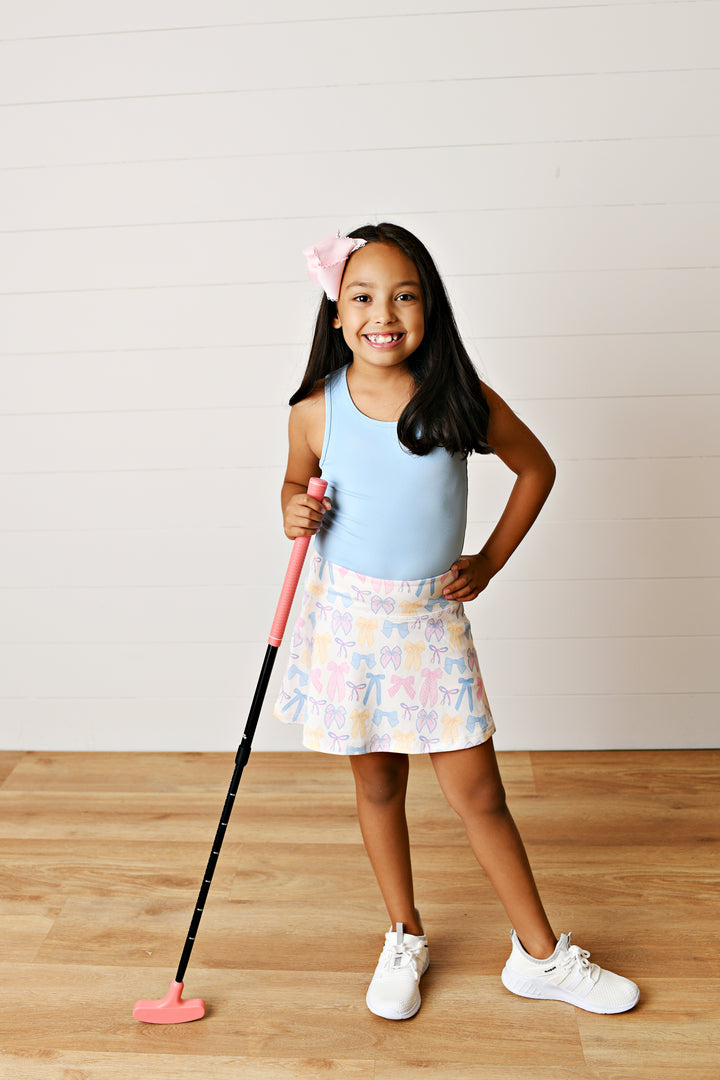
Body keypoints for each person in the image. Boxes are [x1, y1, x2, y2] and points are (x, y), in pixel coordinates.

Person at [273, 223, 639, 1021]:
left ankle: (539, 955)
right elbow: (294, 488)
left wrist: (494, 559)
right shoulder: (313, 410)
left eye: (405, 295)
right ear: (337, 312)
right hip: (349, 624)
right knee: (377, 784)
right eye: (363, 296)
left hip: (427, 623)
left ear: (429, 309)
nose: (385, 313)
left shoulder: (457, 402)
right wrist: (293, 509)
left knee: (479, 793)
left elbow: (535, 466)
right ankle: (404, 933)